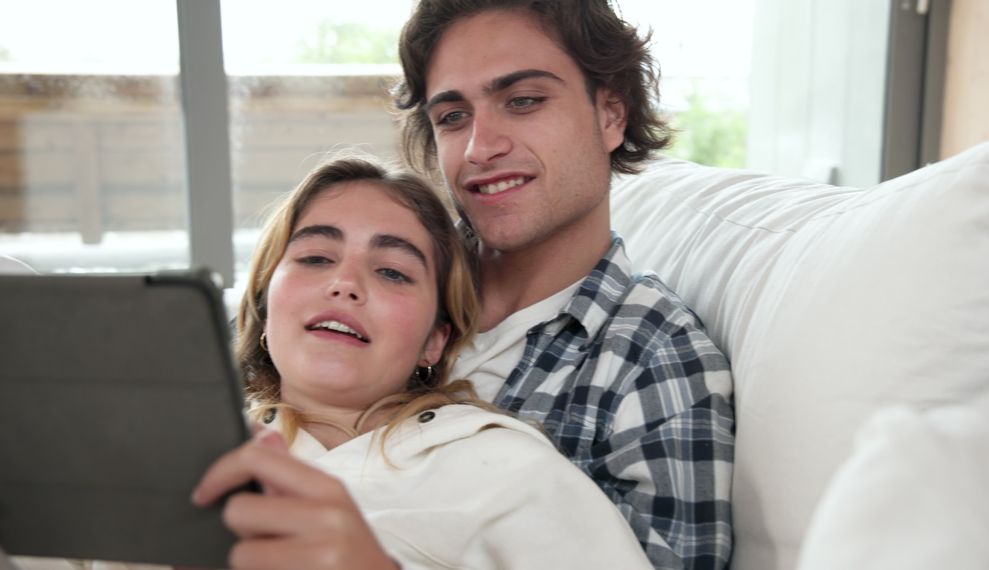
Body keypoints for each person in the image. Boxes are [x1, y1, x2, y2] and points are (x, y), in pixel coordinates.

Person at [392, 1, 736, 568]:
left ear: (610, 115)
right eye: (453, 117)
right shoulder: (378, 275)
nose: (480, 148)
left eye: (523, 100)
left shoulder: (656, 364)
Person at [189, 155, 653, 569]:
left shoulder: (510, 472)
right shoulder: (188, 451)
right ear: (265, 310)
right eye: (315, 257)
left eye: (392, 271)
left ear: (434, 340)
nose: (344, 283)